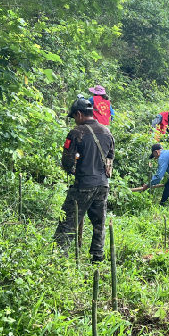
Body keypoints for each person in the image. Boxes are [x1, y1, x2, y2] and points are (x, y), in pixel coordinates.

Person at [53, 96, 115, 262]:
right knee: (99, 223)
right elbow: (110, 157)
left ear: (79, 114)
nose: (74, 120)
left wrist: (75, 168)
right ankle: (97, 257)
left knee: (67, 223)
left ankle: (58, 259)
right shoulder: (106, 131)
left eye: (74, 117)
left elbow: (67, 162)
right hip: (103, 184)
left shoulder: (76, 133)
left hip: (83, 185)